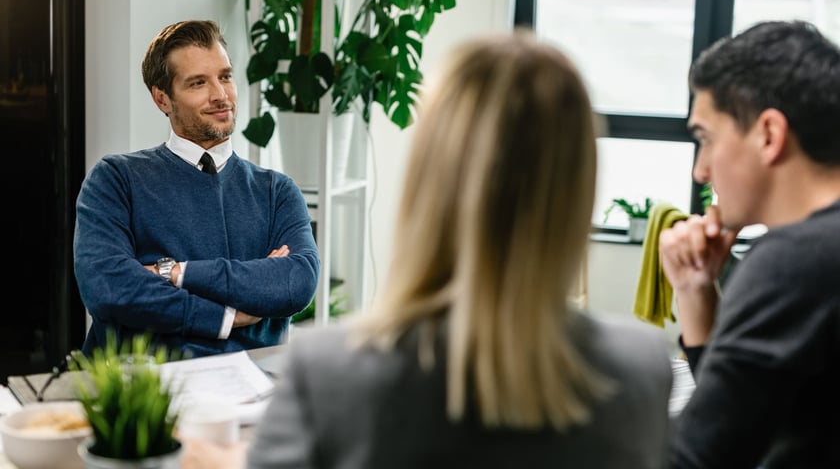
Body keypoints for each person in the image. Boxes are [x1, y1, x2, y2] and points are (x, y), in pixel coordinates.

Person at [182, 30, 673, 469]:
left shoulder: (331, 373)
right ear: (579, 184)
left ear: (428, 176)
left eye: (224, 76)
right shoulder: (642, 369)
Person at [73, 20, 319, 358]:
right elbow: (108, 287)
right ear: (162, 99)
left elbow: (296, 282)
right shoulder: (116, 179)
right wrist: (225, 316)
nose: (220, 95)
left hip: (253, 391)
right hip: (144, 393)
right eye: (198, 83)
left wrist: (174, 272)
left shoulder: (277, 191)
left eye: (225, 76)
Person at [660, 20, 840, 468]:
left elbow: (699, 458)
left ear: (768, 135)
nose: (700, 171)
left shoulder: (795, 259)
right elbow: (746, 418)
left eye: (705, 138)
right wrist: (697, 295)